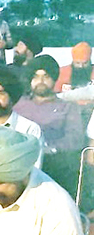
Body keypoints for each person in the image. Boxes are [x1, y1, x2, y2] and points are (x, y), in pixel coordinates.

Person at [14, 55, 84, 196]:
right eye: (36, 76)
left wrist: (49, 148)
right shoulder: (19, 104)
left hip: (52, 164)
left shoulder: (67, 107)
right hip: (17, 162)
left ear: (53, 79)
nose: (40, 81)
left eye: (45, 76)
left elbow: (75, 139)